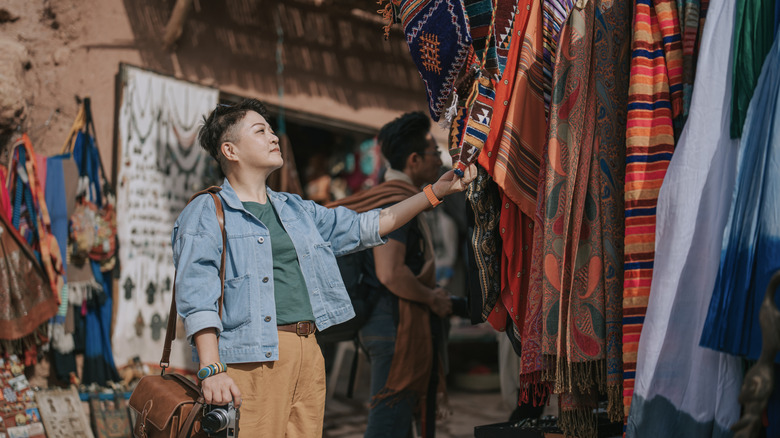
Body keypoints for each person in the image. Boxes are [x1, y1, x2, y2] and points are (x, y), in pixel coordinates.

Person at [172, 99, 475, 437]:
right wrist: (211, 368)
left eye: (271, 130)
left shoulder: (296, 209)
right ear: (230, 150)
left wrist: (435, 193)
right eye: (260, 131)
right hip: (252, 358)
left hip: (308, 352)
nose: (273, 137)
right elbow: (197, 296)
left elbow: (367, 226)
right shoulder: (207, 211)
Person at [330, 112, 454, 438]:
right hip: (393, 324)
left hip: (386, 322)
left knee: (396, 424)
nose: (439, 160)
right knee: (388, 424)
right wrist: (431, 298)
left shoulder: (386, 196)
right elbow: (390, 272)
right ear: (414, 160)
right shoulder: (397, 202)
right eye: (434, 153)